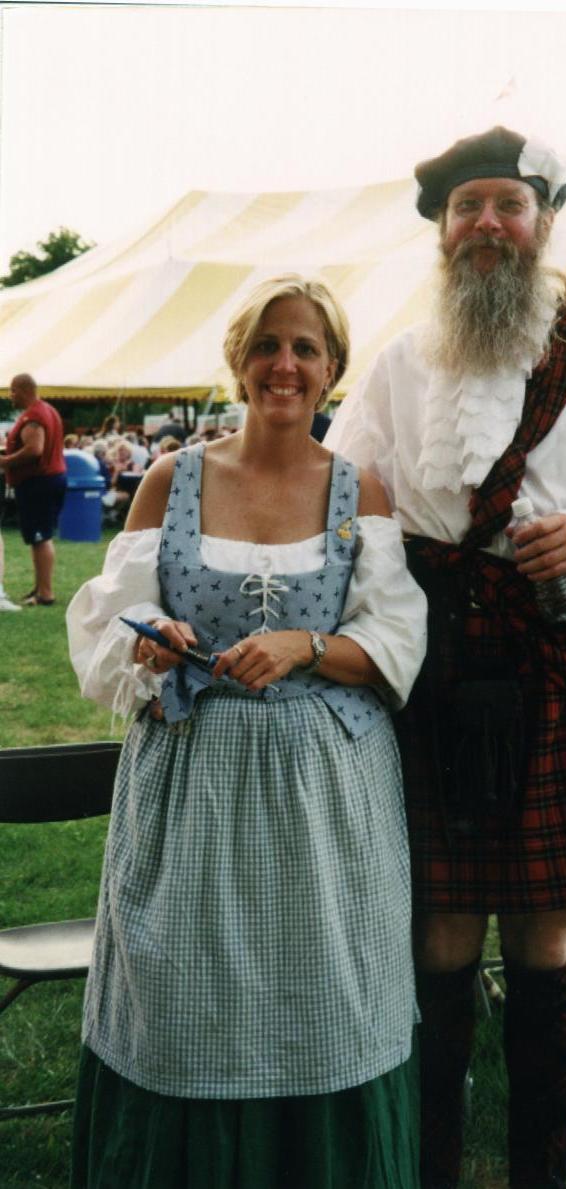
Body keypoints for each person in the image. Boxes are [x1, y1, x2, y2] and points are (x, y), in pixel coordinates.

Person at [326, 126, 566, 1189]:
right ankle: (431, 1165)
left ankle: (541, 1166)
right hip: (443, 665)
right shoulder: (401, 365)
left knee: (542, 939)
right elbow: (341, 502)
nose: (484, 225)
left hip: (558, 663)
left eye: (506, 205)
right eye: (465, 209)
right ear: (440, 233)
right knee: (439, 933)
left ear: (542, 224)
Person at [66, 274, 427, 1189]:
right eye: (268, 344)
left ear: (332, 369)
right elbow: (109, 623)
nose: (285, 364)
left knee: (324, 987)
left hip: (326, 787)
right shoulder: (171, 478)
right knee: (188, 996)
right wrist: (150, 646)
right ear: (238, 361)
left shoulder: (360, 491)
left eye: (307, 348)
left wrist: (308, 643)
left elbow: (394, 641)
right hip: (194, 778)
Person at [0, 373, 66, 605]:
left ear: (24, 390)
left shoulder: (34, 416)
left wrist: (5, 461)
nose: (10, 396)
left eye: (12, 391)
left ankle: (45, 593)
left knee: (40, 537)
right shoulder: (47, 409)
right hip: (50, 479)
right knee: (39, 536)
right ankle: (40, 588)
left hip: (38, 482)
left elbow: (34, 449)